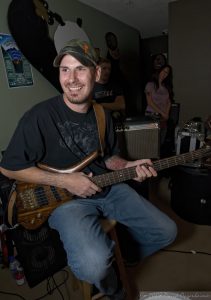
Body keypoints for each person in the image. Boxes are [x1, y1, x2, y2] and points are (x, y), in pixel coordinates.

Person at [0, 39, 177, 300]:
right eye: (65, 70)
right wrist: (66, 181)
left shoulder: (103, 115)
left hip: (108, 188)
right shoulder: (38, 117)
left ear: (96, 73)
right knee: (94, 265)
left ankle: (125, 258)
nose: (71, 78)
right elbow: (8, 168)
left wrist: (129, 165)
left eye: (80, 68)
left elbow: (108, 159)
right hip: (65, 202)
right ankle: (114, 288)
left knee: (167, 231)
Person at [145, 64, 173, 146]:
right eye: (163, 71)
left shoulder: (166, 87)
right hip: (151, 116)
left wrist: (166, 115)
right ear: (159, 71)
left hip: (163, 119)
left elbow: (169, 102)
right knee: (152, 144)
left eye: (167, 73)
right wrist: (163, 113)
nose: (164, 74)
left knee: (160, 144)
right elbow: (149, 102)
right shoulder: (150, 85)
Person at [92, 57, 126, 121]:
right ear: (97, 70)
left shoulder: (115, 86)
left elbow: (121, 105)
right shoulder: (90, 87)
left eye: (109, 69)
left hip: (114, 121)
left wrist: (101, 105)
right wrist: (112, 106)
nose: (107, 71)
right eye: (104, 68)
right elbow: (91, 107)